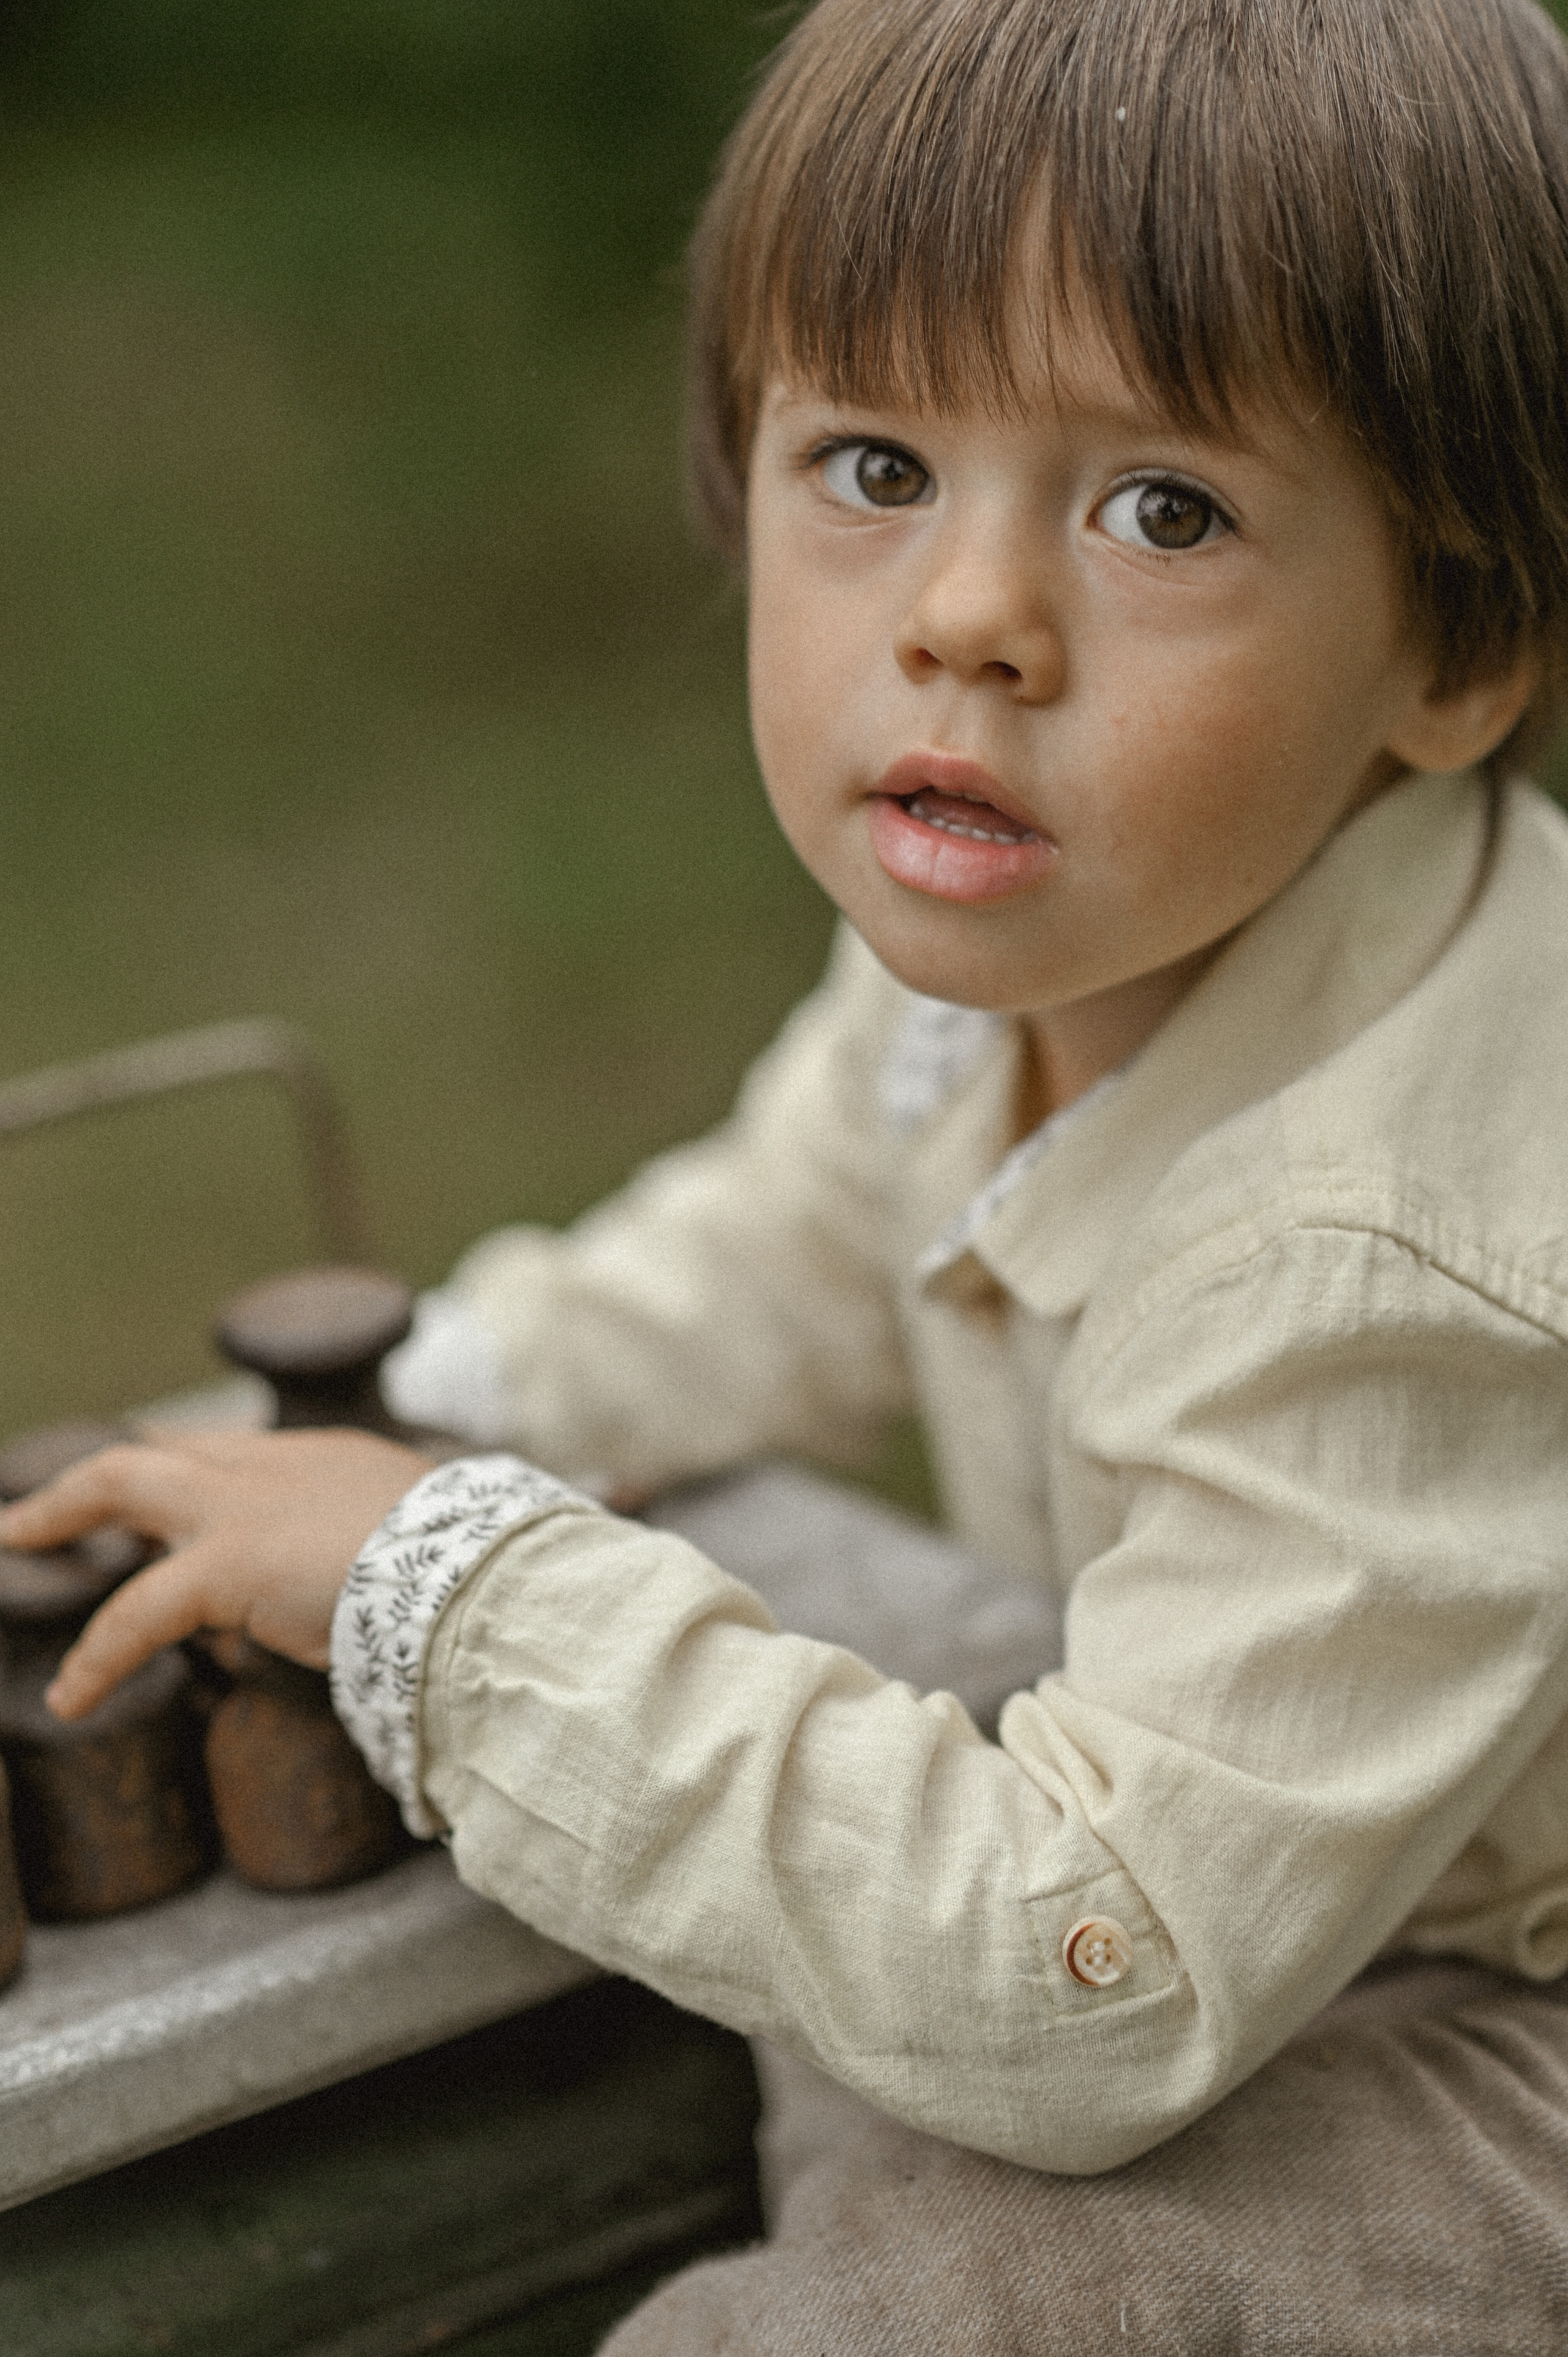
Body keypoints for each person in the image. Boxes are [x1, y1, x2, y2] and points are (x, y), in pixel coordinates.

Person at [9, 0, 1568, 2342]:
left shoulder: (1387, 1263)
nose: (965, 616)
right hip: (1269, 1856)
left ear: (1450, 653)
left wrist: (455, 1586)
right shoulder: (1028, 944)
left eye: (1164, 507)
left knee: (906, 2294)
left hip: (1496, 2005)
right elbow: (793, 1235)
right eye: (870, 465)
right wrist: (432, 1399)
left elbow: (1097, 1989)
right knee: (809, 2015)